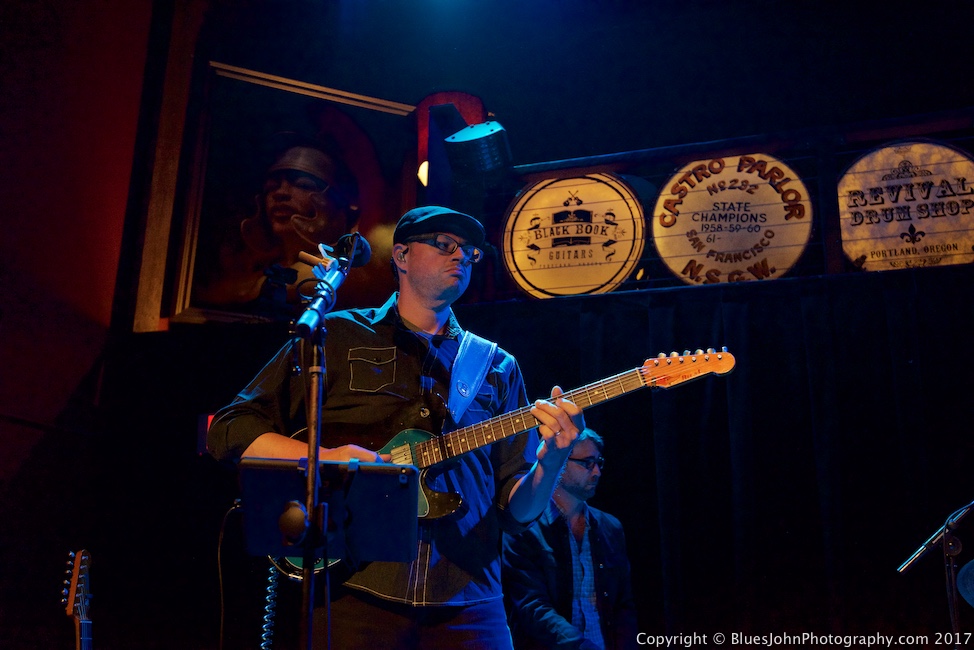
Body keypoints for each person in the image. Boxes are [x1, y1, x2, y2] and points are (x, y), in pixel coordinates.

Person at [207, 205, 586, 648]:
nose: (461, 256)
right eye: (445, 245)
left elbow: (517, 512)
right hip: (356, 590)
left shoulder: (497, 366)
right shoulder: (338, 335)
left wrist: (554, 458)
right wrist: (329, 458)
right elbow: (230, 429)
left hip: (471, 603)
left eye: (469, 251)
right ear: (402, 256)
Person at [502, 428, 638, 650]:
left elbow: (623, 606)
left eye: (598, 463)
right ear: (560, 465)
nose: (597, 472)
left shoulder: (610, 527)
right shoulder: (523, 528)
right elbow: (531, 608)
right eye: (587, 463)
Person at [194, 133, 360, 316]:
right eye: (271, 187)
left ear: (337, 204)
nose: (280, 194)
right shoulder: (253, 275)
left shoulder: (344, 275)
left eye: (303, 185)